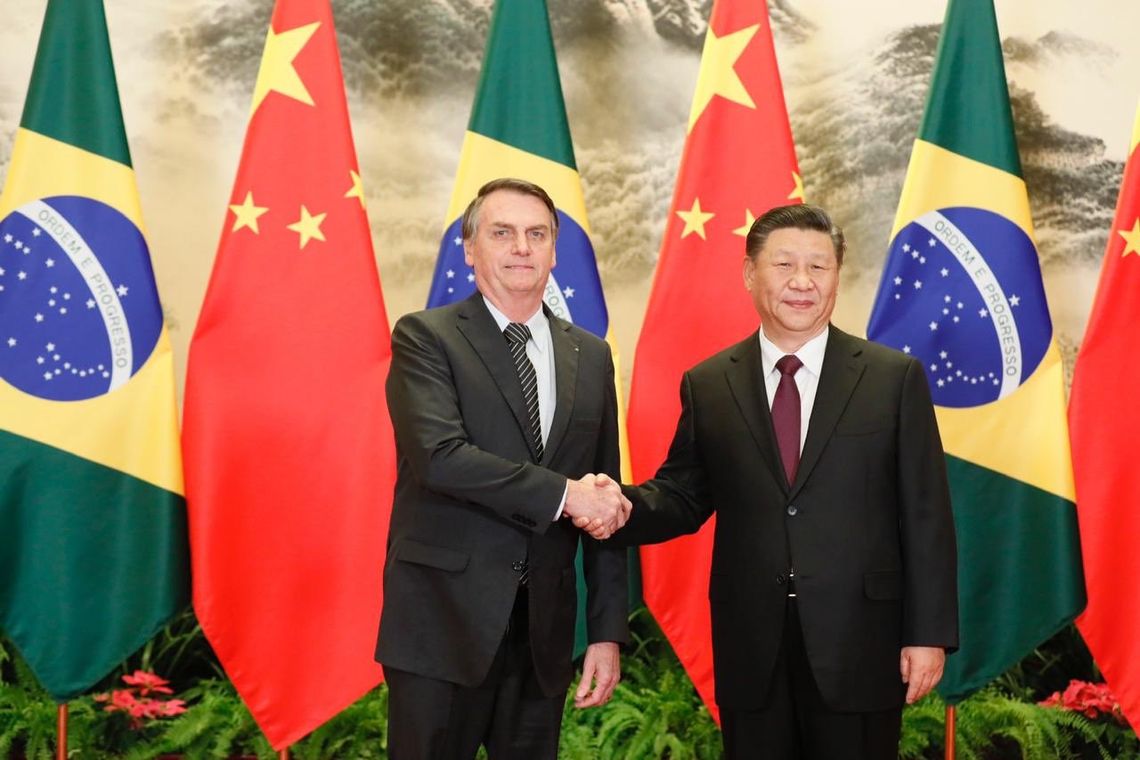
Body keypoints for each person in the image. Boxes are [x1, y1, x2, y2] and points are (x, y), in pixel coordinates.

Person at [590, 204, 957, 759]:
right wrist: (620, 506)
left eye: (820, 266)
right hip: (751, 642)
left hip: (860, 641)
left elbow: (926, 514)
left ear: (837, 275)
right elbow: (684, 494)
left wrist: (927, 633)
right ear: (749, 274)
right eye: (784, 265)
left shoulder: (892, 379)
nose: (802, 282)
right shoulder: (710, 383)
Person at [375, 178, 631, 760]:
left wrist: (606, 631)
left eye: (536, 234)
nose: (522, 247)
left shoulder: (592, 356)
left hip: (542, 636)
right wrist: (567, 496)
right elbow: (441, 458)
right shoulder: (426, 337)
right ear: (469, 248)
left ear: (554, 251)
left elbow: (605, 499)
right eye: (503, 233)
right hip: (441, 626)